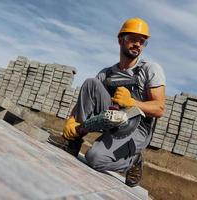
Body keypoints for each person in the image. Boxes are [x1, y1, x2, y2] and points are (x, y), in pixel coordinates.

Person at [48, 17, 166, 187]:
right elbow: (88, 95)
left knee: (94, 159)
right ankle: (72, 142)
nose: (138, 45)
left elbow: (159, 108)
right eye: (133, 39)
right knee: (91, 83)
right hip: (113, 118)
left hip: (137, 127)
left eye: (142, 42)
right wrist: (72, 120)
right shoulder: (108, 73)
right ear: (120, 40)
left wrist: (132, 102)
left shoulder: (150, 69)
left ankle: (132, 159)